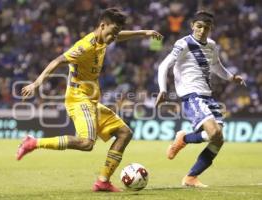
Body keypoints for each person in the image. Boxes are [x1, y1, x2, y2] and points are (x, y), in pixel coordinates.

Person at [17, 8, 162, 192]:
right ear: (102, 26)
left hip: (91, 99)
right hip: (78, 97)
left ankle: (103, 181)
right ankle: (33, 142)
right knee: (87, 143)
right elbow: (57, 61)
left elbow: (119, 35)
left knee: (125, 133)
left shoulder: (105, 38)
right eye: (112, 32)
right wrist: (35, 84)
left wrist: (143, 33)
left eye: (116, 32)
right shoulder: (85, 46)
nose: (114, 37)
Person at [155, 11, 245, 187]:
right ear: (192, 26)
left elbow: (217, 66)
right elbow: (164, 65)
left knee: (218, 140)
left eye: (206, 27)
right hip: (191, 95)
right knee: (214, 133)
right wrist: (162, 89)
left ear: (211, 28)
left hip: (208, 95)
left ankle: (191, 177)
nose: (202, 31)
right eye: (199, 26)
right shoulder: (183, 44)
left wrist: (231, 77)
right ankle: (184, 139)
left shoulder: (211, 45)